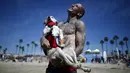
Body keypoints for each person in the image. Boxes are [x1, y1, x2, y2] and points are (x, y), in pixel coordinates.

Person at [40, 3, 91, 73]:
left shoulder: (79, 23)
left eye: (76, 6)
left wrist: (64, 61)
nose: (72, 5)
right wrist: (42, 39)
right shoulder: (59, 24)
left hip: (68, 67)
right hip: (53, 64)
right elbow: (47, 36)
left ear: (79, 14)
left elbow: (80, 46)